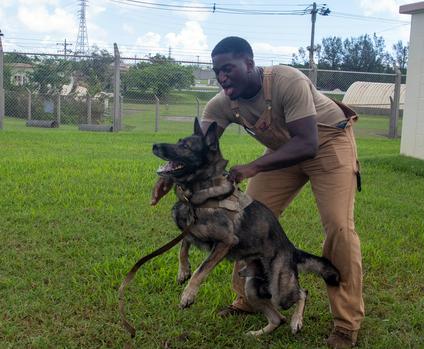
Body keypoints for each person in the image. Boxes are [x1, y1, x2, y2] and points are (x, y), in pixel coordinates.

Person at [151, 36, 364, 348]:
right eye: (216, 71)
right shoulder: (222, 103)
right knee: (244, 217)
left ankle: (346, 324)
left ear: (249, 64)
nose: (222, 77)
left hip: (327, 145)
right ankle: (249, 299)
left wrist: (253, 167)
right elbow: (196, 153)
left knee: (339, 228)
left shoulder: (286, 81)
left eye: (228, 69)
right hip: (281, 153)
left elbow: (307, 142)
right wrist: (170, 176)